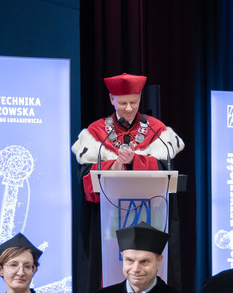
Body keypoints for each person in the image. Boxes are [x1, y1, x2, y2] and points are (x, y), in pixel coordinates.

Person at [73, 72, 185, 201]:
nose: (128, 108)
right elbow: (85, 181)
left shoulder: (157, 129)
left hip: (150, 208)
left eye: (133, 102)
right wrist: (115, 165)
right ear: (111, 99)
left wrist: (134, 160)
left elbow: (166, 173)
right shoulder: (95, 131)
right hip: (109, 208)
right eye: (122, 103)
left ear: (140, 98)